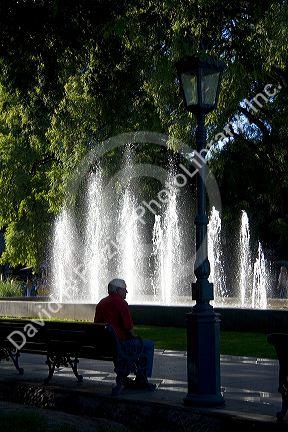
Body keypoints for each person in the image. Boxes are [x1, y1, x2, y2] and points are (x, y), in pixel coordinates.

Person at [94, 278, 155, 393]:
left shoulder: (101, 303)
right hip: (119, 345)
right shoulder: (121, 303)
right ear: (118, 290)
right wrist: (136, 337)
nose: (126, 292)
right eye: (124, 290)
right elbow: (129, 329)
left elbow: (97, 325)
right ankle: (142, 378)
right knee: (147, 345)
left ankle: (128, 375)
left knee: (132, 346)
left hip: (103, 345)